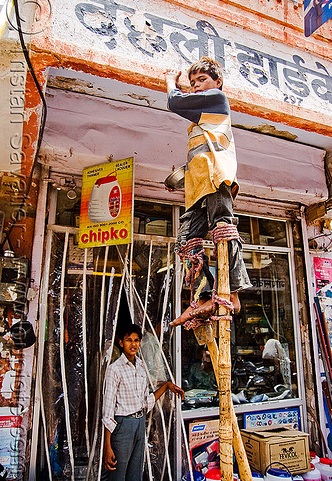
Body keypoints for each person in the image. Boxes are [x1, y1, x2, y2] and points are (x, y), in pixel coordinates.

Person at [165, 56, 251, 329]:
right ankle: (204, 296)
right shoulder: (202, 118)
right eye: (193, 83)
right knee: (188, 242)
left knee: (223, 230)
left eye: (202, 80)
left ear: (217, 83)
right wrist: (181, 177)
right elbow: (200, 153)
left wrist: (171, 82)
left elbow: (174, 102)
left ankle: (233, 294)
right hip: (197, 184)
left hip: (217, 175)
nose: (197, 86)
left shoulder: (216, 99)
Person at [102, 323, 184, 481]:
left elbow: (147, 402)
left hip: (139, 423)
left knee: (135, 474)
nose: (133, 344)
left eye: (136, 340)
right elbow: (108, 410)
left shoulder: (140, 367)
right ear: (121, 342)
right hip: (122, 426)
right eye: (129, 340)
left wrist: (166, 386)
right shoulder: (115, 369)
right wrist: (107, 445)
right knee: (117, 474)